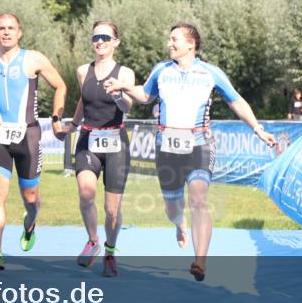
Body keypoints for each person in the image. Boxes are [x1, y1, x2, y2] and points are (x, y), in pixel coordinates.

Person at [105, 23, 276, 282]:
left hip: (199, 143)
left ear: (190, 44)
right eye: (169, 39)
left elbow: (237, 101)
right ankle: (179, 224)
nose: (169, 44)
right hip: (167, 146)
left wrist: (258, 129)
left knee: (198, 198)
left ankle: (200, 261)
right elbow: (144, 96)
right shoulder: (161, 70)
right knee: (172, 207)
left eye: (174, 39)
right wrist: (124, 87)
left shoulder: (210, 73)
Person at [0, 13, 67, 270]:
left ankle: (30, 221)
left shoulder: (34, 59)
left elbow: (61, 86)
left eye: (11, 28)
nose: (6, 32)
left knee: (30, 196)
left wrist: (56, 116)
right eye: (1, 28)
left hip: (28, 135)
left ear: (19, 32)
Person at [60, 21, 134, 277]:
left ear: (116, 41)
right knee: (86, 193)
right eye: (95, 37)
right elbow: (83, 100)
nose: (99, 41)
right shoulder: (83, 71)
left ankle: (110, 251)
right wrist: (72, 125)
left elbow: (127, 107)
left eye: (105, 37)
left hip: (116, 143)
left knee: (112, 210)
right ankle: (93, 241)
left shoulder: (125, 73)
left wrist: (117, 93)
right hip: (88, 139)